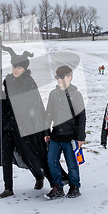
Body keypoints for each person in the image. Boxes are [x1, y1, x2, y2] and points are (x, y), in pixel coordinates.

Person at [0, 45, 51, 199]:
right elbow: (6, 105)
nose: (16, 69)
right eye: (14, 66)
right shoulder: (8, 81)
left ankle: (39, 176)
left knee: (28, 154)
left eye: (19, 67)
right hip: (8, 125)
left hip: (24, 125)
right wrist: (1, 98)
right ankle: (8, 188)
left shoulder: (29, 82)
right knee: (6, 156)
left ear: (25, 68)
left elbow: (32, 104)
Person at [44, 66, 86, 200]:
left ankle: (74, 186)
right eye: (57, 77)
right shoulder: (53, 94)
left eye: (62, 77)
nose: (59, 80)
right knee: (52, 161)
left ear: (70, 78)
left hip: (71, 137)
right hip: (55, 136)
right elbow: (48, 113)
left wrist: (80, 137)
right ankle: (57, 187)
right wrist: (46, 131)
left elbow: (81, 117)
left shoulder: (76, 95)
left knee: (71, 163)